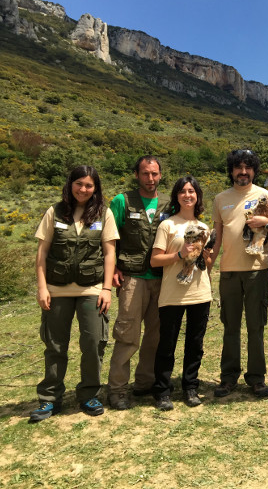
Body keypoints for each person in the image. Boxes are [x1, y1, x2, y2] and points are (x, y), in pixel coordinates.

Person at [30, 165, 118, 422]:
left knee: (93, 343)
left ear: (96, 189)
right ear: (70, 184)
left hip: (92, 288)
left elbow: (110, 252)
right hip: (57, 289)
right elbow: (42, 253)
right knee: (55, 345)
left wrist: (106, 289)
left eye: (89, 185)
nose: (83, 189)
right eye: (79, 184)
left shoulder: (104, 213)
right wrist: (42, 287)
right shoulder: (54, 212)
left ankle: (89, 393)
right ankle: (49, 399)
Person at [210, 149, 268, 398]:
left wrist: (267, 224)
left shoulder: (265, 195)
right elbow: (216, 237)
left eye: (248, 167)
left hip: (257, 271)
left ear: (254, 170)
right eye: (238, 167)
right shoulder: (220, 199)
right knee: (230, 326)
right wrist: (208, 268)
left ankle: (257, 378)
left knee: (256, 326)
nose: (243, 172)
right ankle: (228, 378)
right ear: (231, 171)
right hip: (228, 271)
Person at [107, 156, 170, 410]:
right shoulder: (122, 201)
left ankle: (145, 383)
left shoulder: (168, 203)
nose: (150, 179)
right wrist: (111, 271)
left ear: (160, 175)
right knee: (127, 336)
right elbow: (109, 239)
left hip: (162, 280)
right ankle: (118, 390)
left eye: (154, 174)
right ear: (136, 174)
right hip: (132, 278)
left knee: (155, 337)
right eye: (145, 174)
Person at [149, 176, 212, 411]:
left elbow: (208, 263)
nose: (188, 195)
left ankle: (190, 387)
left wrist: (206, 251)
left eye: (192, 191)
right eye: (183, 191)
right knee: (167, 344)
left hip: (200, 292)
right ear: (177, 196)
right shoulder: (168, 225)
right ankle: (163, 390)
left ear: (198, 196)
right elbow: (155, 260)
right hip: (172, 294)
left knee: (195, 344)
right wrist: (179, 255)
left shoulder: (204, 227)